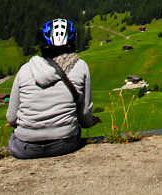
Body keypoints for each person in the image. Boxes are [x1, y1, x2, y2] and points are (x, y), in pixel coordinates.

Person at [6, 18, 100, 159]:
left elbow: (12, 118)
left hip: (24, 148)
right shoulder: (81, 67)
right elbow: (85, 116)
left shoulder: (25, 70)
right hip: (65, 144)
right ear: (72, 42)